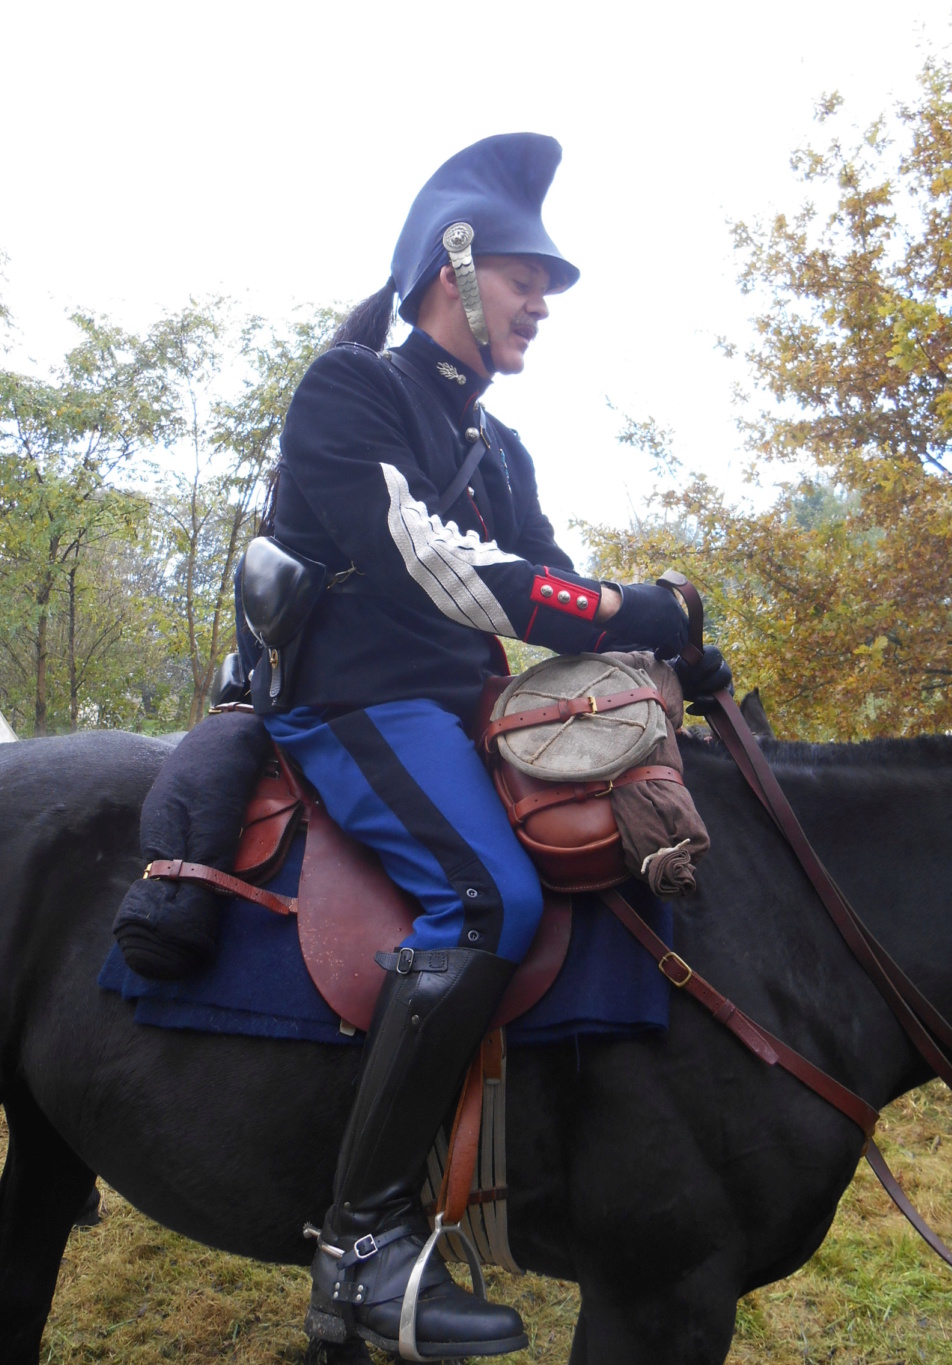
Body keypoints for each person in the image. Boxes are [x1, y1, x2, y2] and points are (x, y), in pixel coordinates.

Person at [240, 133, 729, 1360]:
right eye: (526, 280)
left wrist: (676, 658)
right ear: (451, 267)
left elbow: (553, 580)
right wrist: (628, 611)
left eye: (546, 289)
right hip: (353, 705)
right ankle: (359, 1249)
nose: (540, 307)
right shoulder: (348, 390)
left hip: (462, 712)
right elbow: (446, 569)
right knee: (486, 898)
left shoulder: (497, 447)